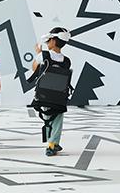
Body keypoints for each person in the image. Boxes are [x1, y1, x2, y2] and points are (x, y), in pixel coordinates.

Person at [30, 27, 72, 156]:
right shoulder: (67, 61)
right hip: (59, 96)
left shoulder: (44, 55)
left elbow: (34, 68)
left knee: (48, 118)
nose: (47, 43)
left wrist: (38, 53)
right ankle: (53, 143)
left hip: (44, 94)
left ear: (53, 41)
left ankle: (51, 144)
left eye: (48, 41)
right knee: (58, 119)